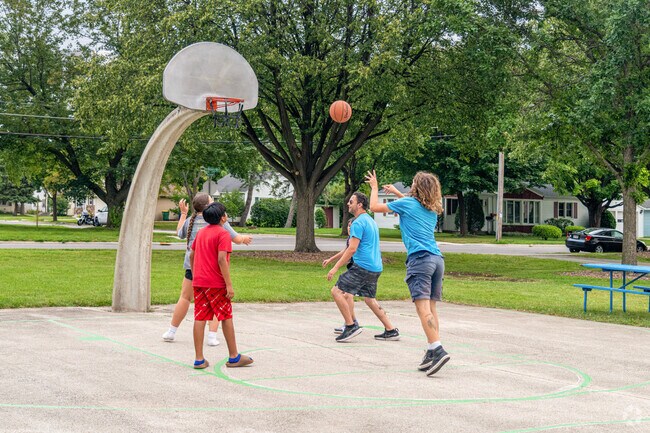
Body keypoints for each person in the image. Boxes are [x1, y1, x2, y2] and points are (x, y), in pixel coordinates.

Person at [366, 170, 450, 376]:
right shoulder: (430, 209)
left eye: (413, 183)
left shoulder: (409, 205)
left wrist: (374, 188)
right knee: (431, 308)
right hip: (437, 260)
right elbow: (410, 205)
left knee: (423, 309)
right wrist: (396, 192)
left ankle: (437, 348)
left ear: (417, 187)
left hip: (420, 260)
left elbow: (374, 207)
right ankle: (432, 349)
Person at [162, 193, 251, 345]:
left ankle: (171, 331)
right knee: (216, 301)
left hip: (194, 269)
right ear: (210, 207)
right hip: (214, 270)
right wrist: (244, 239)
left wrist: (183, 213)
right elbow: (235, 239)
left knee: (184, 297)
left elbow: (180, 233)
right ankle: (212, 336)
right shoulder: (219, 222)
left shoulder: (191, 220)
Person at [325, 192, 399, 343]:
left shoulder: (358, 223)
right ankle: (391, 330)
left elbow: (351, 249)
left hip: (363, 267)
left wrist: (335, 268)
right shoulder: (370, 221)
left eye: (351, 201)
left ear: (359, 205)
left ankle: (350, 326)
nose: (348, 204)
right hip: (376, 267)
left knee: (336, 291)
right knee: (369, 299)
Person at [190, 202, 253, 369]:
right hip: (216, 284)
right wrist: (229, 285)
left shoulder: (201, 233)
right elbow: (221, 259)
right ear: (223, 217)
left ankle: (199, 359)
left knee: (200, 317)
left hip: (200, 282)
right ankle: (234, 356)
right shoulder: (223, 234)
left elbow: (192, 255)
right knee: (225, 316)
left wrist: (196, 274)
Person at [322, 217, 359, 334]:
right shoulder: (350, 239)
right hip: (353, 268)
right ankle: (352, 322)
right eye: (348, 226)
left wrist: (335, 267)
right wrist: (330, 259)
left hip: (358, 269)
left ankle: (351, 323)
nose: (349, 228)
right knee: (348, 295)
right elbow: (345, 251)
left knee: (348, 295)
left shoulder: (356, 239)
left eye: (351, 226)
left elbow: (350, 251)